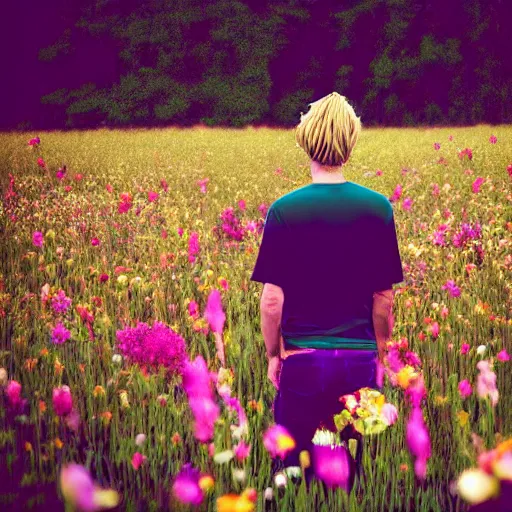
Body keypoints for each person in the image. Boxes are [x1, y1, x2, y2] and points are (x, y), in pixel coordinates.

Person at [249, 92, 405, 489]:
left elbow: (271, 299)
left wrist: (273, 354)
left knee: (295, 475)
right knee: (351, 475)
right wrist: (381, 354)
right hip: (359, 362)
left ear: (306, 139)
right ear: (350, 142)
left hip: (302, 362)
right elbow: (383, 299)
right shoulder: (378, 208)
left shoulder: (284, 210)